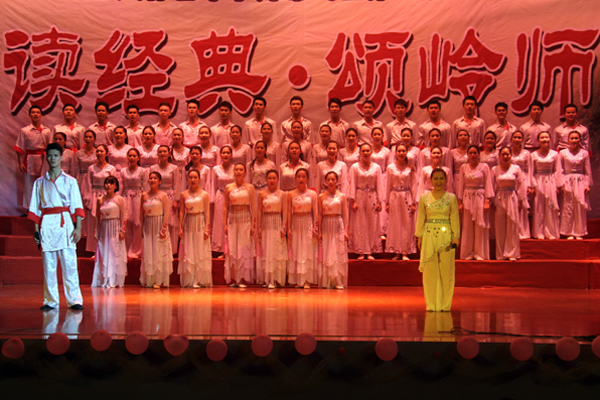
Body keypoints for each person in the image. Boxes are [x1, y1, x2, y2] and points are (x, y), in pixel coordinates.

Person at [29, 142, 85, 310]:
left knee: (69, 263)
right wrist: (36, 231)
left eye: (55, 155)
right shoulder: (39, 183)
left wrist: (78, 228)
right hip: (47, 223)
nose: (52, 158)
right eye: (50, 156)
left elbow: (76, 205)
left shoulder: (70, 181)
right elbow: (35, 208)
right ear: (46, 158)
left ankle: (75, 300)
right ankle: (50, 300)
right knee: (49, 264)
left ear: (61, 158)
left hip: (65, 222)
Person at [415, 168, 460, 312]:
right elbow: (421, 218)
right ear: (431, 180)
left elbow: (455, 218)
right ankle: (431, 303)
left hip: (446, 236)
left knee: (446, 270)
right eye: (436, 178)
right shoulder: (424, 198)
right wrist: (419, 236)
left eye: (441, 178)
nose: (438, 182)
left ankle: (445, 304)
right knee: (430, 270)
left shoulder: (451, 198)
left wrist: (456, 237)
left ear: (446, 180)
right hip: (429, 235)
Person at [456, 145, 494, 260]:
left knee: (480, 226)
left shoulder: (485, 167)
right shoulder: (463, 167)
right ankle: (467, 253)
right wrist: (460, 202)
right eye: (470, 153)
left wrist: (487, 201)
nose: (473, 155)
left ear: (479, 154)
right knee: (467, 226)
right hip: (467, 197)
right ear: (467, 155)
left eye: (475, 153)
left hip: (480, 197)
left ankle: (480, 253)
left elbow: (488, 183)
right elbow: (460, 185)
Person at [348, 143, 384, 259]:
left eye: (368, 151)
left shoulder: (376, 167)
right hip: (359, 196)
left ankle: (370, 251)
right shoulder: (354, 167)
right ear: (359, 153)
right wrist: (353, 200)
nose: (365, 153)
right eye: (363, 151)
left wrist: (380, 201)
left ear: (371, 152)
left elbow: (379, 184)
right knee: (359, 223)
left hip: (372, 196)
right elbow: (352, 183)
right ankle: (360, 250)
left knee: (371, 223)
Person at [223, 163, 256, 288]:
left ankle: (242, 278)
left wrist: (253, 224)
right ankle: (235, 278)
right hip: (232, 218)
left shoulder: (250, 187)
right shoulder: (228, 187)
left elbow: (253, 207)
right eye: (236, 169)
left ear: (245, 172)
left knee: (243, 247)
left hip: (245, 218)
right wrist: (225, 223)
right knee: (233, 247)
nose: (238, 172)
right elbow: (225, 206)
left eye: (241, 170)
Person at [178, 169, 212, 288]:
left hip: (199, 222)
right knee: (189, 249)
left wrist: (207, 229)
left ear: (199, 179)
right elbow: (181, 212)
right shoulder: (184, 194)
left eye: (195, 177)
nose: (192, 180)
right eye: (190, 177)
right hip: (188, 223)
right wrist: (180, 227)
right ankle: (190, 278)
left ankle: (199, 279)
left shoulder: (204, 194)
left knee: (199, 249)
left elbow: (207, 212)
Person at [492, 147, 526, 261]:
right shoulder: (494, 169)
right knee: (500, 226)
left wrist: (521, 200)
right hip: (499, 197)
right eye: (503, 154)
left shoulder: (516, 168)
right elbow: (491, 186)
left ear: (511, 155)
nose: (505, 157)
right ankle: (500, 254)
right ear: (499, 156)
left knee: (512, 225)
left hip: (512, 196)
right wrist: (491, 201)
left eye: (507, 154)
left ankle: (512, 253)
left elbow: (520, 185)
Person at [93, 176, 127, 287]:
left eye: (111, 183)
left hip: (115, 227)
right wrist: (96, 230)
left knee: (114, 252)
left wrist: (122, 230)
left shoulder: (119, 199)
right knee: (104, 251)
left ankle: (114, 279)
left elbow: (124, 215)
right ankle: (104, 279)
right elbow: (97, 216)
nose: (108, 185)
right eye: (107, 183)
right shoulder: (100, 200)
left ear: (116, 186)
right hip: (104, 227)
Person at [140, 171, 173, 288]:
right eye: (150, 178)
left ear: (159, 181)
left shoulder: (163, 195)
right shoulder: (144, 195)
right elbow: (141, 213)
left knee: (158, 252)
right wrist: (142, 228)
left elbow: (166, 213)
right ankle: (149, 278)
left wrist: (163, 229)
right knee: (149, 251)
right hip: (148, 225)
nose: (152, 180)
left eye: (155, 178)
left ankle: (158, 280)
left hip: (159, 224)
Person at [14, 105, 50, 210]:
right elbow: (19, 147)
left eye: (38, 112)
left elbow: (50, 147)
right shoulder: (25, 131)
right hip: (30, 159)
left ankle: (44, 208)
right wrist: (20, 162)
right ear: (29, 115)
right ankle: (30, 209)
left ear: (41, 116)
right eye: (33, 112)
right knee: (29, 185)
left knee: (44, 183)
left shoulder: (46, 131)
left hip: (44, 160)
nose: (35, 114)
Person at [558, 131, 593, 240]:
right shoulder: (562, 153)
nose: (574, 141)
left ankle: (579, 232)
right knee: (568, 206)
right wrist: (561, 184)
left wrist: (587, 184)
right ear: (568, 140)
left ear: (580, 140)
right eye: (572, 138)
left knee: (579, 206)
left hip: (580, 181)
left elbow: (587, 170)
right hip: (567, 180)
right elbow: (559, 169)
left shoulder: (584, 153)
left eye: (576, 138)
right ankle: (568, 232)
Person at [287, 168, 318, 288]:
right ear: (295, 179)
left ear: (307, 179)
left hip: (307, 223)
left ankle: (307, 280)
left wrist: (316, 227)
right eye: (299, 177)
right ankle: (298, 280)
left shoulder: (312, 194)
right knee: (296, 250)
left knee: (307, 250)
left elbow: (315, 212)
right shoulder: (290, 194)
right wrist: (288, 228)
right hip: (295, 223)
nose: (301, 179)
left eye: (303, 177)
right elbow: (289, 212)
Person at [386, 144, 418, 260]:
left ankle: (405, 251)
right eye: (399, 151)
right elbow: (388, 185)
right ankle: (397, 252)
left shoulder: (411, 168)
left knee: (406, 223)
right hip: (394, 196)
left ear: (406, 152)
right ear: (396, 153)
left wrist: (414, 202)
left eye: (403, 151)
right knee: (395, 223)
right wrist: (387, 202)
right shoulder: (390, 167)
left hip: (407, 196)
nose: (401, 153)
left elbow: (414, 185)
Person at [256, 170, 287, 289]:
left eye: (274, 178)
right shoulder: (262, 194)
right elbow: (259, 211)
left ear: (278, 179)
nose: (272, 180)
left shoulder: (282, 194)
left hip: (277, 222)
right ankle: (267, 278)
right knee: (266, 249)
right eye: (269, 178)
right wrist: (258, 226)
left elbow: (285, 211)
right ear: (266, 180)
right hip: (266, 223)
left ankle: (275, 278)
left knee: (276, 249)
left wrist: (284, 226)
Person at [318, 171, 349, 289]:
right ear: (325, 181)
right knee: (327, 251)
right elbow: (320, 214)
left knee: (337, 251)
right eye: (328, 180)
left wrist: (346, 231)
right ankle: (328, 280)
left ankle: (337, 280)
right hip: (326, 224)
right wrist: (319, 231)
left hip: (338, 224)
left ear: (337, 181)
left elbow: (345, 214)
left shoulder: (342, 196)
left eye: (333, 179)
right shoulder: (321, 196)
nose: (331, 182)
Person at [85, 144, 118, 252]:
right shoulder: (91, 168)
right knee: (94, 223)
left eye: (101, 151)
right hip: (94, 195)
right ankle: (95, 249)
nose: (99, 153)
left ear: (106, 153)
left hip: (106, 196)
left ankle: (107, 249)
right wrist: (89, 199)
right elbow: (88, 184)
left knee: (106, 222)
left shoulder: (111, 168)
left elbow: (114, 184)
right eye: (97, 151)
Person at [150, 145, 181, 253]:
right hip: (156, 196)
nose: (162, 153)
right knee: (157, 220)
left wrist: (176, 200)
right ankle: (158, 248)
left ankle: (170, 250)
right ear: (157, 154)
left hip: (170, 196)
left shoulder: (174, 168)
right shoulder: (152, 168)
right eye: (160, 152)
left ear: (169, 154)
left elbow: (176, 184)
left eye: (165, 151)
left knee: (170, 222)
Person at [531, 131, 560, 240]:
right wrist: (533, 185)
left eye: (546, 137)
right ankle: (539, 233)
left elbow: (557, 170)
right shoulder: (533, 155)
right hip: (538, 181)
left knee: (550, 206)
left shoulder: (555, 154)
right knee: (539, 207)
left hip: (550, 181)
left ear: (550, 139)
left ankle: (551, 232)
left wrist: (557, 185)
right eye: (542, 137)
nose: (544, 139)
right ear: (538, 140)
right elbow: (531, 171)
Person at [121, 148, 146, 259]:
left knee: (137, 224)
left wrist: (145, 202)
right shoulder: (123, 171)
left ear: (138, 157)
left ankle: (137, 250)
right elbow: (121, 187)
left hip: (138, 197)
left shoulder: (143, 171)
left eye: (134, 156)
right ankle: (126, 249)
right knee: (126, 224)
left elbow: (145, 187)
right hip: (126, 197)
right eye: (130, 156)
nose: (132, 158)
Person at [211, 146, 235, 254]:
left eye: (228, 153)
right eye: (223, 153)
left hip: (233, 197)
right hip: (220, 196)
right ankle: (220, 247)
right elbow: (213, 185)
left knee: (231, 220)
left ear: (231, 155)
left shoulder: (235, 168)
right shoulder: (215, 169)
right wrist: (212, 200)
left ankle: (231, 247)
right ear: (220, 155)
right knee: (220, 221)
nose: (225, 155)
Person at [510, 130, 534, 239]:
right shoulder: (507, 151)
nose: (517, 139)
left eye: (519, 137)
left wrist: (529, 185)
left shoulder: (526, 153)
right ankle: (512, 231)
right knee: (511, 205)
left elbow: (529, 169)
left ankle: (522, 232)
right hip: (511, 179)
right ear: (511, 139)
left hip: (523, 180)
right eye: (515, 137)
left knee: (522, 206)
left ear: (522, 140)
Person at [75, 130, 97, 238]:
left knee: (91, 204)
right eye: (86, 137)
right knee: (82, 204)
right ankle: (82, 230)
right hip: (81, 179)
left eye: (90, 137)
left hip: (93, 180)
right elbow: (76, 168)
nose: (88, 139)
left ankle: (93, 230)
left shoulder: (98, 152)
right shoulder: (79, 153)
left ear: (94, 139)